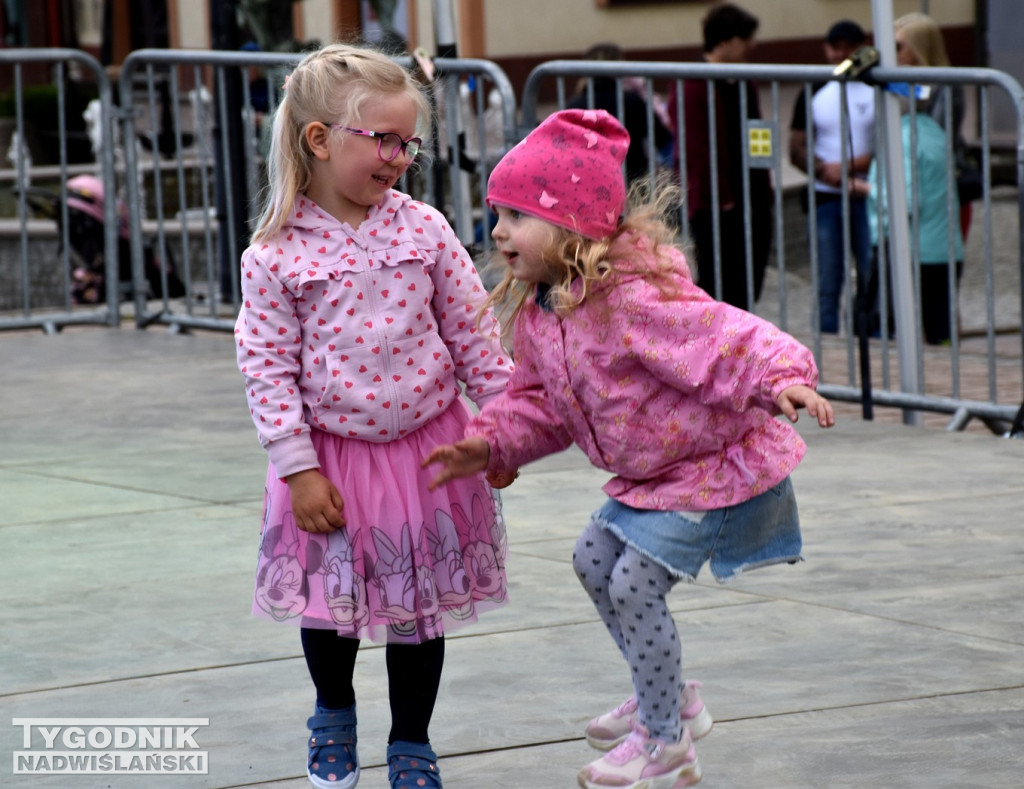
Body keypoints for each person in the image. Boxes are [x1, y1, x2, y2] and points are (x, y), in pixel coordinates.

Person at [422, 109, 835, 789]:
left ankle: (666, 741)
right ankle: (667, 695)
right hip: (656, 474)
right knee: (591, 559)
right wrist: (490, 442)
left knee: (633, 582)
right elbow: (539, 405)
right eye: (497, 214)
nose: (498, 231)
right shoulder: (546, 310)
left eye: (517, 215)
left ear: (574, 224)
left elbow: (725, 337)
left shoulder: (634, 299)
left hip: (713, 470)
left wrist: (785, 377)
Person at [234, 44, 515, 789]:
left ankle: (412, 740)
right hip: (330, 460)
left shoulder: (422, 228)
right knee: (332, 606)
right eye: (383, 140)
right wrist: (296, 467)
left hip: (430, 452)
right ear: (320, 140)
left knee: (418, 611)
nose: (399, 156)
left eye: (407, 141)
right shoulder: (274, 254)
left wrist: (507, 426)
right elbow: (266, 368)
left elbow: (474, 334)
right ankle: (332, 712)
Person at [667, 2, 772, 311]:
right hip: (717, 206)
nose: (752, 46)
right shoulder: (693, 85)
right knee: (720, 287)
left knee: (748, 283)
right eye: (746, 39)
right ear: (725, 41)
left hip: (752, 198)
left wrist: (764, 185)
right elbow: (695, 149)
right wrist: (719, 197)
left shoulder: (743, 81)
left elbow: (758, 133)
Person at [789, 20, 876, 334]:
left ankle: (875, 344)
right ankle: (827, 350)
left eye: (848, 47)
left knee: (871, 277)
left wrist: (848, 167)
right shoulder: (812, 88)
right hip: (826, 195)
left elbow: (888, 145)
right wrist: (827, 172)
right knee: (828, 281)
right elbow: (796, 147)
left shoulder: (876, 85)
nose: (841, 53)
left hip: (869, 195)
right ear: (826, 49)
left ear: (861, 47)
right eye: (835, 46)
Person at [858, 94, 965, 345]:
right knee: (941, 332)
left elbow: (903, 201)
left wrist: (864, 188)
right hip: (945, 250)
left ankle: (910, 384)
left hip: (913, 253)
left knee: (899, 337)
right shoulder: (935, 132)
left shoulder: (903, 138)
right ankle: (947, 378)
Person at [894, 12, 975, 240]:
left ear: (919, 48)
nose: (893, 54)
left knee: (938, 264)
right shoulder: (900, 83)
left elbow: (934, 135)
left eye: (898, 46)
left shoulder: (946, 85)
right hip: (910, 185)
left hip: (940, 187)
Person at [567, 42, 673, 184]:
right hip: (633, 183)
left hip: (588, 184)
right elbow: (662, 139)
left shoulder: (574, 106)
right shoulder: (632, 100)